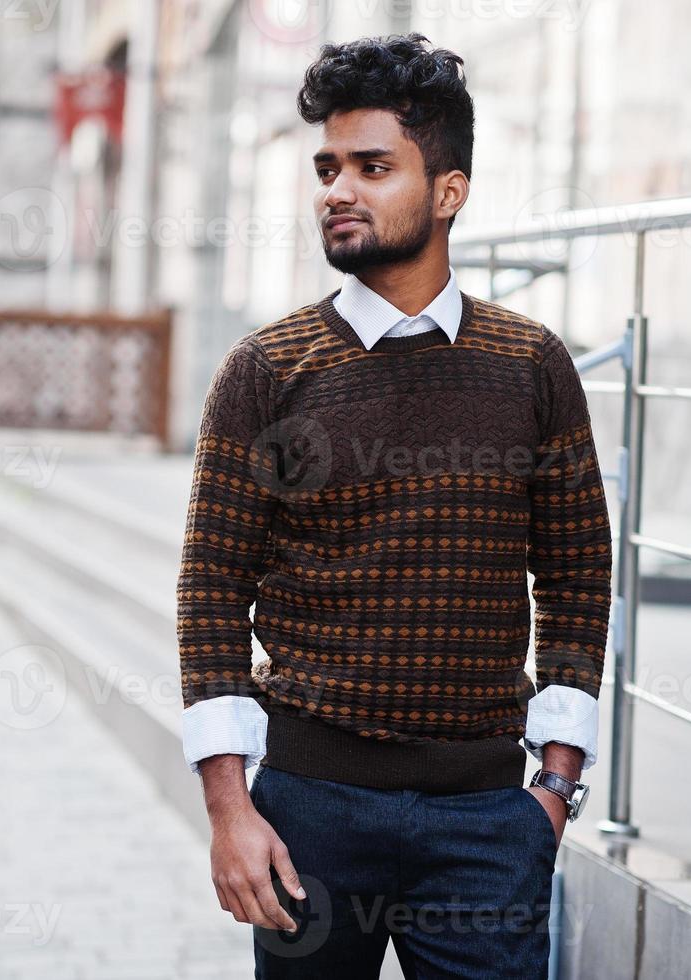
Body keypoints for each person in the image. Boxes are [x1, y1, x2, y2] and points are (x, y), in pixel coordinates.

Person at [176, 33, 612, 979]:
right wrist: (228, 810)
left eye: (372, 167)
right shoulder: (266, 370)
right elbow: (212, 589)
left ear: (447, 190)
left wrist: (553, 790)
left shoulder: (530, 364)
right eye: (327, 167)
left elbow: (578, 572)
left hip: (487, 822)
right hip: (310, 814)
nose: (338, 189)